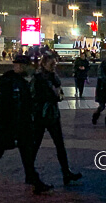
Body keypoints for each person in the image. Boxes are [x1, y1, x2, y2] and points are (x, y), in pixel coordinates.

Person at [0, 55, 52, 196]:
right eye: (23, 65)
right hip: (10, 126)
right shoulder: (9, 82)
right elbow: (2, 107)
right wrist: (7, 123)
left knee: (26, 156)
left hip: (21, 126)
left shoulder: (20, 82)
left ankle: (35, 182)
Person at [31, 54, 82, 186]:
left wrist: (57, 94)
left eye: (55, 64)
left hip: (52, 114)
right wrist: (52, 95)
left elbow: (59, 93)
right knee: (35, 145)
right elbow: (35, 96)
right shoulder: (38, 77)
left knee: (60, 145)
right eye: (51, 64)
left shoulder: (54, 77)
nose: (54, 67)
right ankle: (30, 173)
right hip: (41, 115)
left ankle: (66, 172)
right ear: (44, 64)